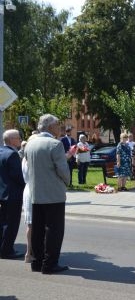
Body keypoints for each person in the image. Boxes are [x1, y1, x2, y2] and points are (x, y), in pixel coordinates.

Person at [25, 114, 73, 274]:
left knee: (37, 229)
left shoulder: (30, 144)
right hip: (53, 194)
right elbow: (63, 170)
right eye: (57, 124)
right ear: (50, 127)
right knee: (54, 230)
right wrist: (66, 182)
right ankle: (50, 264)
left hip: (36, 193)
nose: (59, 127)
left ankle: (37, 262)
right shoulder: (55, 144)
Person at [0, 129, 26, 259]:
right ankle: (7, 250)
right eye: (18, 137)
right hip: (12, 195)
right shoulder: (13, 154)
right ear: (11, 140)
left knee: (2, 223)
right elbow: (17, 176)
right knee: (11, 224)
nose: (20, 140)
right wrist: (26, 185)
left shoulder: (1, 151)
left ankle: (2, 247)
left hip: (2, 193)